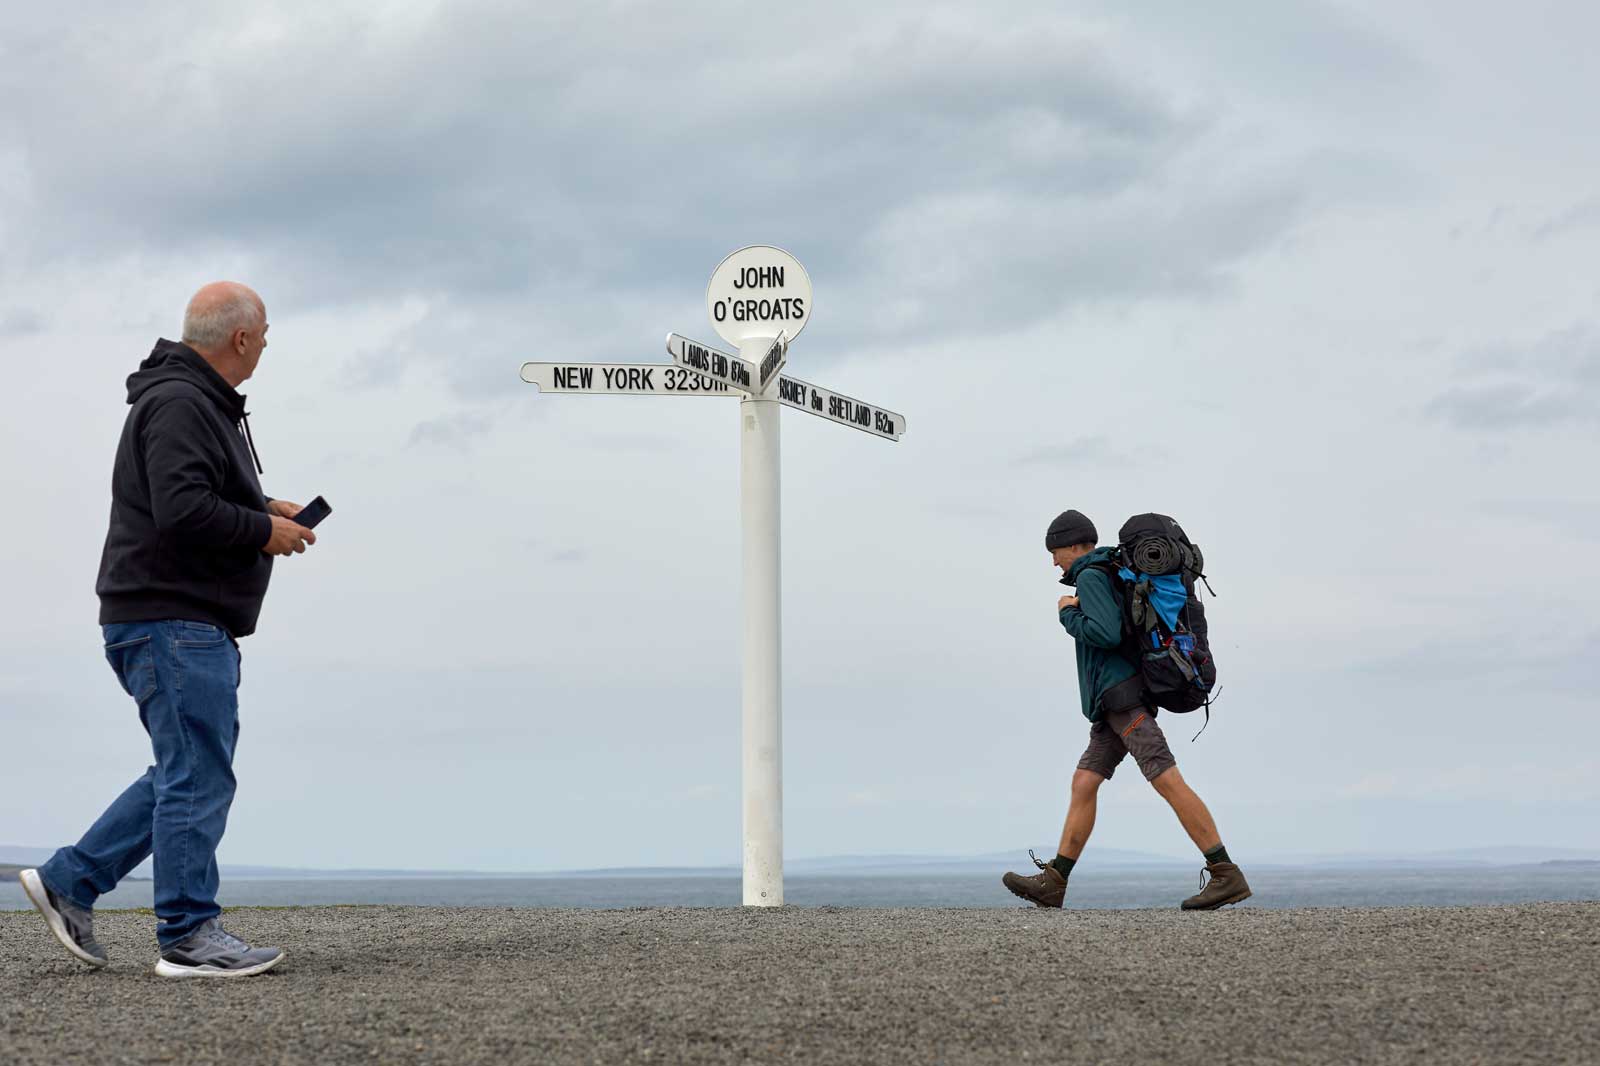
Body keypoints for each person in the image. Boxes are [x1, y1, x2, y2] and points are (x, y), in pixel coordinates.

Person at [19, 282, 314, 977]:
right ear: (240, 338)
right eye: (265, 331)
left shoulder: (191, 400)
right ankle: (187, 935)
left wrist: (265, 505)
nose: (268, 341)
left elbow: (187, 493)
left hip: (168, 617)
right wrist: (261, 530)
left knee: (184, 770)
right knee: (196, 773)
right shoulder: (182, 401)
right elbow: (181, 509)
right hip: (171, 618)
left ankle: (71, 881)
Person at [1002, 509, 1251, 910]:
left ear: (1073, 545)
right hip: (1112, 700)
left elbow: (1105, 632)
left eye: (1055, 551)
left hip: (1123, 697)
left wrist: (1067, 612)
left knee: (1166, 778)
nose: (1053, 561)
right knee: (1084, 783)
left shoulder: (1091, 574)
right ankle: (1055, 880)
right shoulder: (1105, 570)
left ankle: (1225, 872)